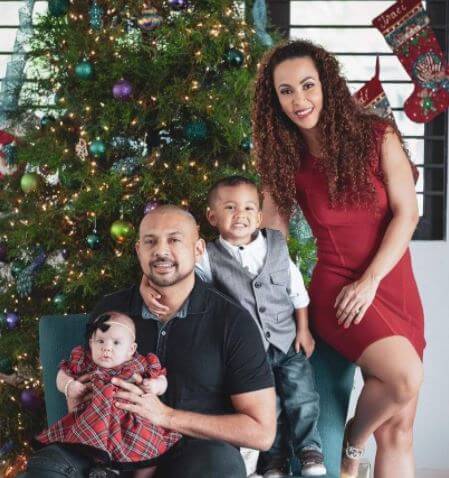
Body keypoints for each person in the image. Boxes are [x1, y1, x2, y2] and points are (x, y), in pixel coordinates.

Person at [251, 39, 425, 478]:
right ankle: (353, 441)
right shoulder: (284, 159)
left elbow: (408, 213)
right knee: (405, 378)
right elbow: (274, 238)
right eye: (285, 91)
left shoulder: (377, 135)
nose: (299, 100)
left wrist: (372, 281)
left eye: (307, 85)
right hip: (338, 291)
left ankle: (359, 438)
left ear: (326, 84)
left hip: (392, 282)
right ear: (274, 100)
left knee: (400, 430)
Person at [21, 205, 276, 478]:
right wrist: (77, 396)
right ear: (138, 250)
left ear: (199, 249)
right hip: (111, 445)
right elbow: (81, 387)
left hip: (194, 452)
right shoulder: (111, 309)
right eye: (150, 241)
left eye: (175, 240)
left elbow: (261, 433)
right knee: (48, 467)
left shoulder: (232, 321)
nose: (161, 251)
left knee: (219, 464)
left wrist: (166, 416)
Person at [142, 176, 326, 477]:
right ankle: (274, 461)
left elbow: (297, 293)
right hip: (247, 353)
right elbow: (172, 269)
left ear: (259, 216)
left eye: (248, 208)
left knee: (302, 396)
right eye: (230, 207)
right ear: (212, 217)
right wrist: (146, 283)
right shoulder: (207, 257)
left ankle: (310, 450)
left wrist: (303, 330)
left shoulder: (277, 247)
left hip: (286, 343)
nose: (240, 214)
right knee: (272, 407)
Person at [35, 311, 179, 477]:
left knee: (152, 448)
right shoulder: (84, 361)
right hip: (94, 419)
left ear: (131, 349)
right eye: (100, 341)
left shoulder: (140, 364)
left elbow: (162, 379)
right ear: (91, 343)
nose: (107, 348)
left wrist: (155, 385)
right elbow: (62, 374)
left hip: (132, 423)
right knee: (83, 448)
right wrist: (68, 385)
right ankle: (103, 470)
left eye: (116, 343)